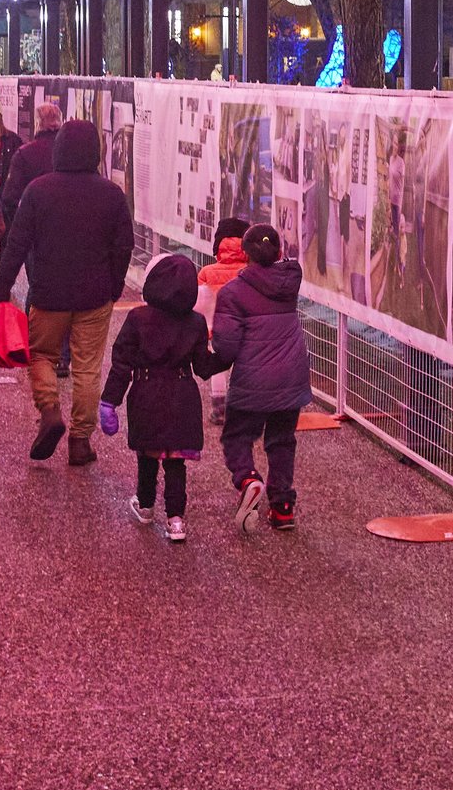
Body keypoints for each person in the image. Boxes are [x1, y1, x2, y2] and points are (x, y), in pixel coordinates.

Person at [0, 118, 131, 467]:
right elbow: (123, 246)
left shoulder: (38, 190)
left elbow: (17, 242)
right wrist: (113, 286)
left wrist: (2, 285)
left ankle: (50, 410)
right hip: (94, 295)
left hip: (49, 291)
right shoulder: (111, 193)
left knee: (40, 355)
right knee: (87, 368)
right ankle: (81, 441)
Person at [99, 253, 225, 544]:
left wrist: (110, 402)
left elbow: (122, 364)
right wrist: (229, 355)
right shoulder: (194, 322)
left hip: (147, 391)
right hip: (182, 393)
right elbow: (203, 366)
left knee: (148, 454)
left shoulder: (138, 318)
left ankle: (145, 505)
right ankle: (176, 520)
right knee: (175, 461)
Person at [212, 223, 309, 533]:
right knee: (281, 441)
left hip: (253, 380)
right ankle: (282, 508)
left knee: (236, 436)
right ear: (279, 252)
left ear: (244, 253)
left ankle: (248, 479)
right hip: (292, 376)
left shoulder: (233, 293)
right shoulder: (289, 283)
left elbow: (226, 346)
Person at [195, 216, 249, 425]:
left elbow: (199, 302)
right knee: (245, 366)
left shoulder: (207, 272)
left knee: (220, 364)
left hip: (217, 328)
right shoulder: (250, 271)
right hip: (246, 328)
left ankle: (219, 408)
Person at [0, 100, 64, 223]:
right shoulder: (71, 151)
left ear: (38, 123)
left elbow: (10, 198)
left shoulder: (25, 154)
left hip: (35, 226)